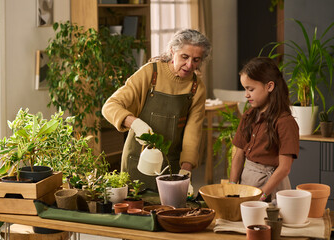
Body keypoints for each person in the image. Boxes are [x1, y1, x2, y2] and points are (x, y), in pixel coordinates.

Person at [102, 29, 211, 191]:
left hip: (170, 164)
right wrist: (136, 123)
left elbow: (192, 132)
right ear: (173, 51)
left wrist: (186, 169)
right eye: (185, 57)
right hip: (137, 160)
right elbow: (110, 106)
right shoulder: (150, 73)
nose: (190, 65)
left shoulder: (197, 88)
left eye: (196, 60)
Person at [229, 57, 299, 202]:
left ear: (270, 86)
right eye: (245, 89)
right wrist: (232, 187)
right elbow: (239, 154)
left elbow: (284, 168)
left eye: (251, 89)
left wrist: (262, 195)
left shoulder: (285, 122)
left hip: (270, 187)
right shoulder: (248, 116)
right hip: (247, 183)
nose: (246, 94)